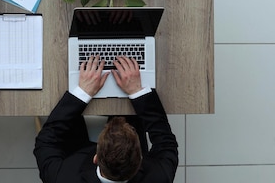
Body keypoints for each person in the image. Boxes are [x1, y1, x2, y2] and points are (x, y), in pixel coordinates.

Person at [34, 55, 178, 183]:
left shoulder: (61, 177)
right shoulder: (160, 176)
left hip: (78, 157)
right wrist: (137, 92)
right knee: (127, 109)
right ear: (140, 159)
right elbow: (165, 142)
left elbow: (46, 141)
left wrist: (82, 93)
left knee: (66, 122)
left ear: (95, 158)